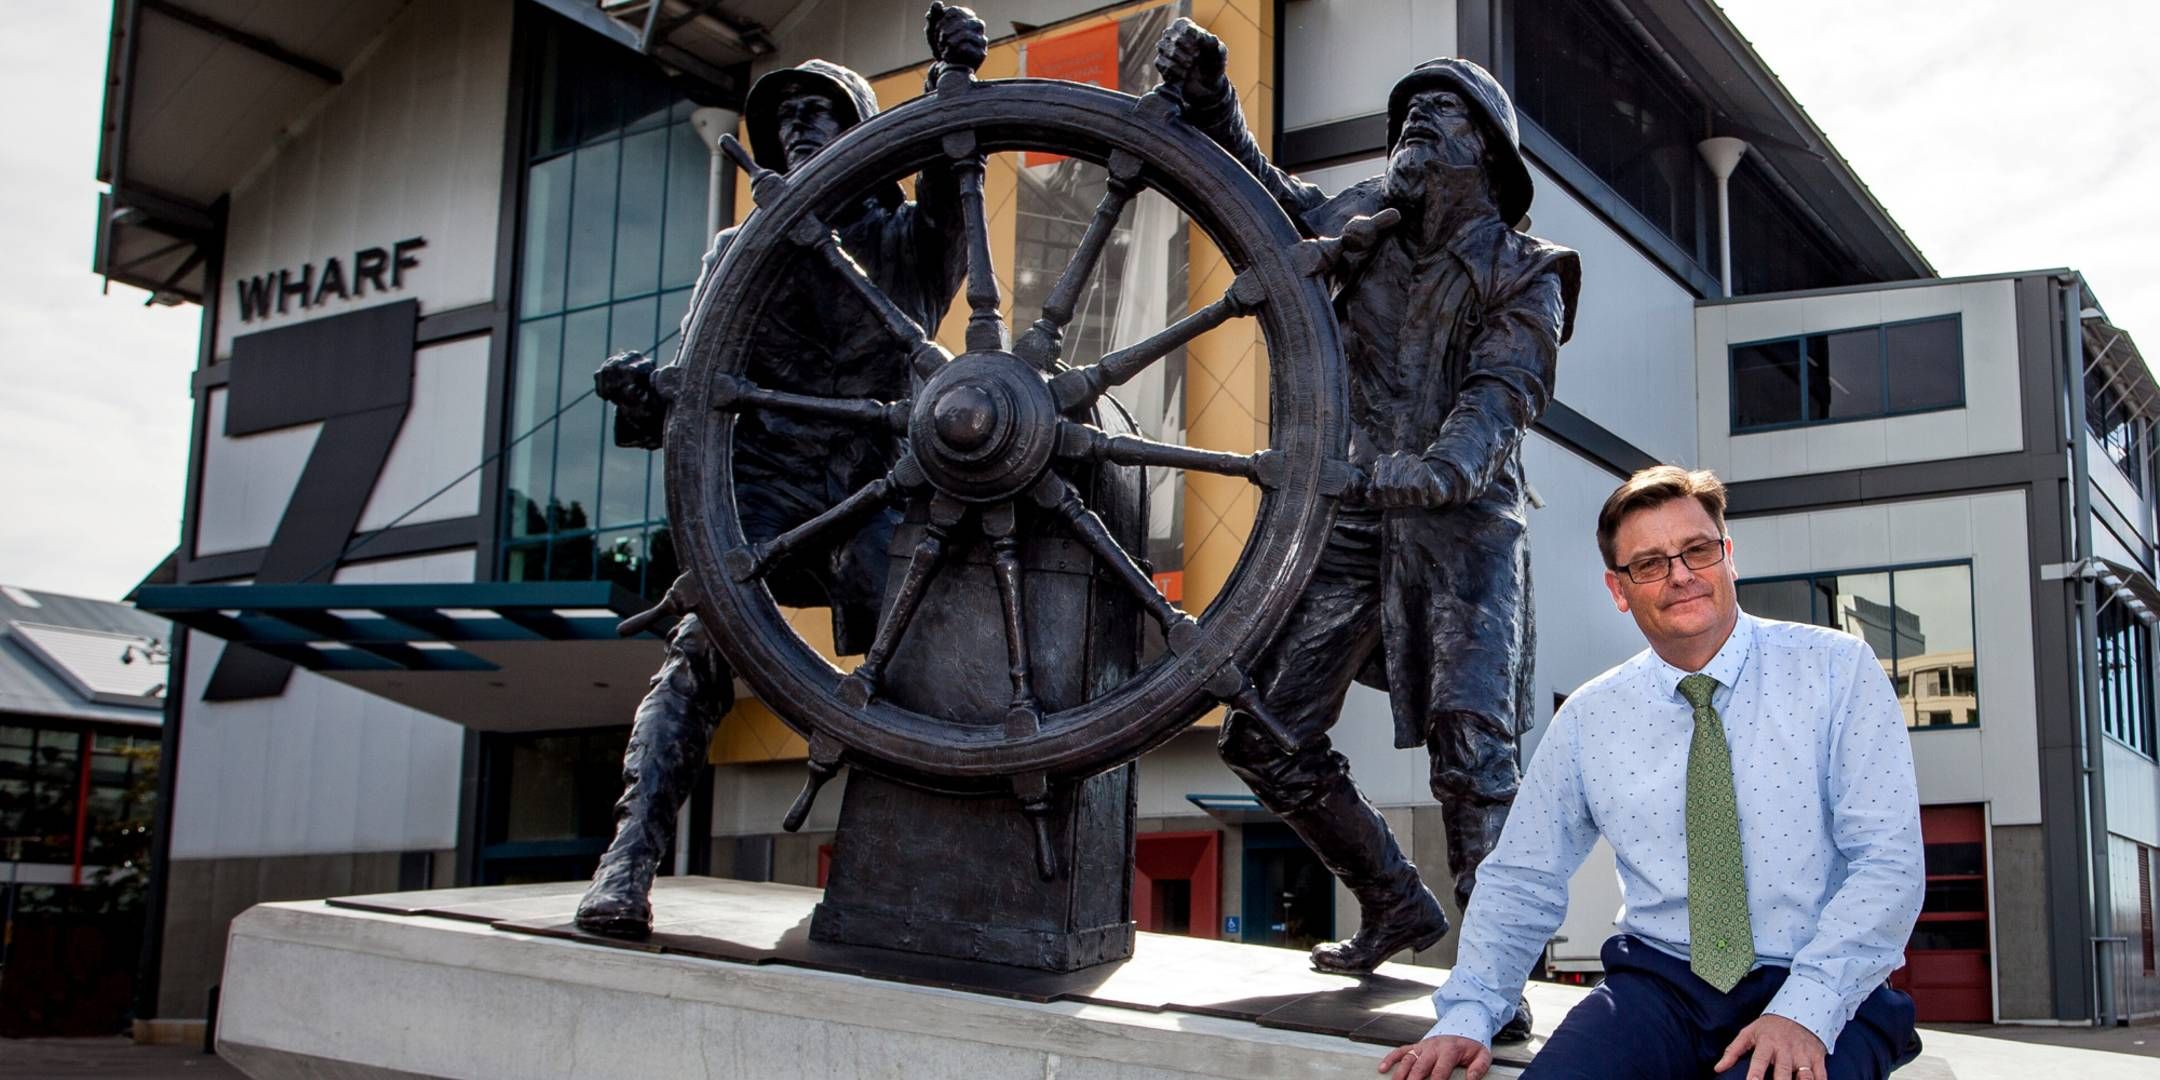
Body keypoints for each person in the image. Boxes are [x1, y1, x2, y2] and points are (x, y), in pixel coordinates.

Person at [1153, 18, 1579, 1014]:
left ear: (1490, 154)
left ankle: (1501, 978)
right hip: (1352, 523)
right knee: (1265, 735)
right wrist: (1214, 101)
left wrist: (1440, 471)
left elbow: (1502, 395)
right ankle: (1392, 899)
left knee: (1474, 755)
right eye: (1408, 110)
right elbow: (1261, 195)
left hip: (1465, 532)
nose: (1416, 119)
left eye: (1442, 110)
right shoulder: (1362, 220)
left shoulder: (1528, 266)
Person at [573, 4, 988, 938]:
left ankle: (930, 881)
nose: (797, 125)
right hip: (758, 497)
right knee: (696, 658)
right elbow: (687, 400)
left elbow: (949, 180)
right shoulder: (736, 252)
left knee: (928, 666)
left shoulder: (906, 242)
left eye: (818, 110)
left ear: (859, 134)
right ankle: (627, 862)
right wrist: (640, 395)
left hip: (872, 493)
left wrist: (952, 81)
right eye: (784, 117)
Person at [1378, 466, 1925, 1080]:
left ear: (1729, 556)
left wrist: (1807, 1008)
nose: (1681, 575)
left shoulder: (1837, 670)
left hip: (1824, 982)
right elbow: (1523, 876)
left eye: (1698, 550)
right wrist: (1470, 1011)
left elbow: (1888, 863)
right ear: (1618, 589)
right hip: (1659, 987)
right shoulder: (1590, 716)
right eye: (1649, 564)